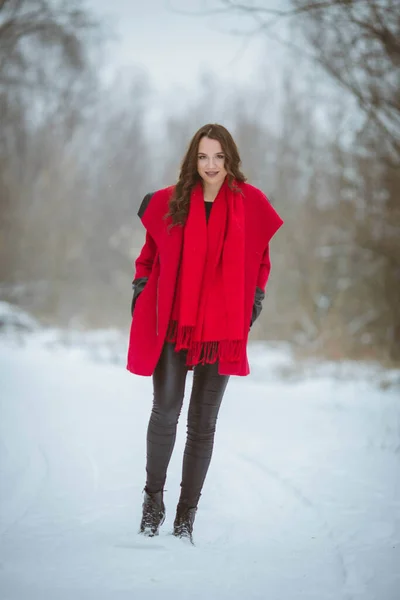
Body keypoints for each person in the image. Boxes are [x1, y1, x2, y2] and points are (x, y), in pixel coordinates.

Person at [127, 123, 283, 545]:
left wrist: (253, 305)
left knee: (203, 425)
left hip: (223, 330)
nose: (211, 165)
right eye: (203, 156)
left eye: (218, 156)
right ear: (192, 160)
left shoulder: (251, 204)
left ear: (230, 158)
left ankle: (185, 516)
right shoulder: (172, 201)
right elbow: (148, 259)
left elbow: (261, 264)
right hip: (174, 324)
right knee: (165, 412)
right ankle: (152, 502)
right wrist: (143, 293)